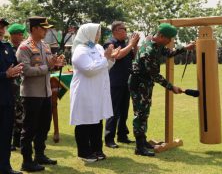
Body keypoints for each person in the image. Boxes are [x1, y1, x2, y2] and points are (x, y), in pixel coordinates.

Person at [128, 23, 196, 156]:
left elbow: (169, 53)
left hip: (145, 84)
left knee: (144, 113)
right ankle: (139, 147)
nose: (170, 42)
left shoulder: (158, 46)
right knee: (140, 114)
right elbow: (155, 75)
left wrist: (185, 48)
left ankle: (143, 141)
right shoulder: (149, 51)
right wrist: (172, 87)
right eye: (169, 39)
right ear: (161, 36)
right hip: (139, 85)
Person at [16, 16, 65, 172]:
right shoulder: (24, 47)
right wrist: (47, 66)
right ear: (34, 28)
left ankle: (40, 155)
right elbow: (26, 71)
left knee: (44, 126)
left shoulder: (45, 45)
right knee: (29, 128)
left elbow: (50, 65)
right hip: (31, 94)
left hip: (46, 93)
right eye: (43, 28)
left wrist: (57, 64)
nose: (46, 31)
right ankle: (27, 161)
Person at [70, 23, 120, 162]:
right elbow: (89, 69)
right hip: (85, 91)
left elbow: (104, 67)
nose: (98, 36)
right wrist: (105, 58)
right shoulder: (80, 50)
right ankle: (84, 152)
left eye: (99, 33)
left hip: (97, 91)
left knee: (97, 120)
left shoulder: (97, 47)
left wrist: (111, 58)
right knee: (84, 121)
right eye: (96, 33)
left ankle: (97, 149)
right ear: (88, 33)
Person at [103, 21, 139, 149]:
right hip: (115, 82)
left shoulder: (125, 43)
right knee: (113, 110)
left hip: (126, 81)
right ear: (115, 30)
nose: (125, 31)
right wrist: (130, 44)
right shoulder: (110, 43)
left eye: (125, 29)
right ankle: (109, 138)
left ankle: (122, 135)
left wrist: (135, 46)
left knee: (124, 110)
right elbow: (118, 56)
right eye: (123, 29)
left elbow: (134, 56)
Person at [0, 18, 24, 174]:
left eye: (2, 27)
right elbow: (7, 73)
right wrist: (4, 74)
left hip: (7, 98)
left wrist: (19, 69)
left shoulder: (7, 47)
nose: (1, 30)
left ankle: (5, 167)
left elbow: (16, 66)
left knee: (5, 134)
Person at [7, 23, 26, 151]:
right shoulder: (7, 49)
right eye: (19, 34)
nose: (21, 36)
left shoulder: (23, 49)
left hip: (21, 86)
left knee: (20, 112)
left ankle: (18, 140)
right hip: (9, 87)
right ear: (12, 35)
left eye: (21, 34)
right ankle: (9, 141)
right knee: (10, 114)